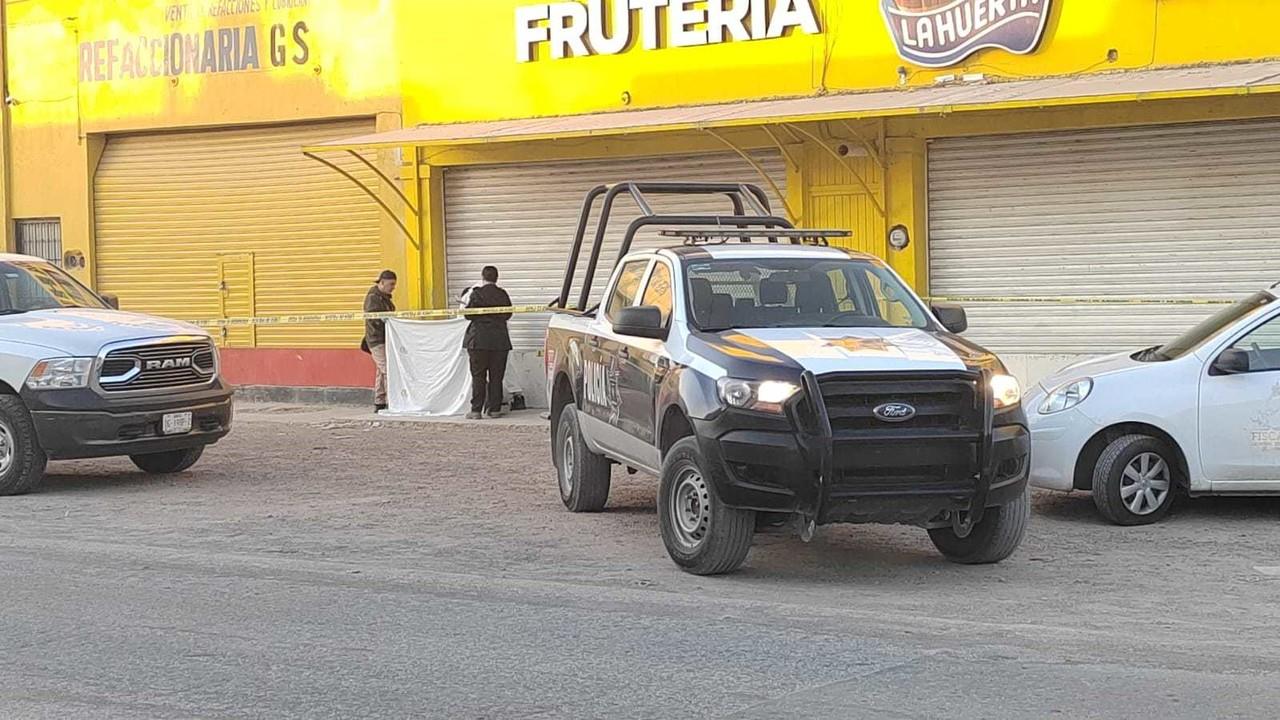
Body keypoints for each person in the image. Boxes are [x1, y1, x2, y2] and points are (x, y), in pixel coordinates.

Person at [461, 265, 512, 420]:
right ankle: (494, 409)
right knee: (497, 376)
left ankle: (476, 410)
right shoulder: (502, 294)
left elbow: (468, 315)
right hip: (499, 341)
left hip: (478, 341)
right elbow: (508, 314)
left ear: (482, 277)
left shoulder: (477, 293)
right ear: (496, 278)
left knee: (478, 376)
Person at [363, 270, 397, 412]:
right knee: (388, 370)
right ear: (382, 283)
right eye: (391, 284)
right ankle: (393, 401)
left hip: (384, 338)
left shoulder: (384, 298)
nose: (393, 287)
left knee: (381, 371)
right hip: (376, 339)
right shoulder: (373, 298)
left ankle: (380, 401)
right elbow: (374, 318)